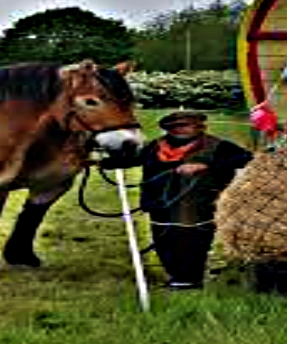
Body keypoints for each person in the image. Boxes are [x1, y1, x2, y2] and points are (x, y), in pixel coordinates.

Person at [102, 111, 253, 290]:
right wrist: (99, 162)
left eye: (184, 125)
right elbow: (128, 160)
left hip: (198, 205)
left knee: (190, 241)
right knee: (163, 242)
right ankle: (176, 277)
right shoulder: (155, 146)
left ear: (200, 127)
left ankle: (189, 280)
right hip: (159, 204)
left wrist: (206, 166)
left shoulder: (220, 146)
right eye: (172, 127)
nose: (178, 130)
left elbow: (246, 159)